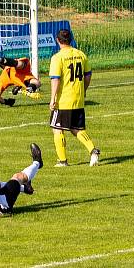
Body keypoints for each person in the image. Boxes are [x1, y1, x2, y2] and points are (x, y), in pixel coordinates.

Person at [48, 29, 100, 167]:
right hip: (78, 99)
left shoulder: (57, 58)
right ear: (70, 39)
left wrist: (52, 98)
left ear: (57, 40)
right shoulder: (80, 54)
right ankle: (93, 150)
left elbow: (56, 79)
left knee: (57, 129)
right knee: (76, 128)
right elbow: (88, 75)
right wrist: (83, 90)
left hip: (63, 100)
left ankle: (62, 161)